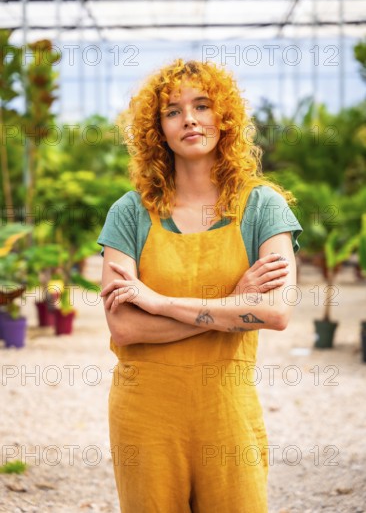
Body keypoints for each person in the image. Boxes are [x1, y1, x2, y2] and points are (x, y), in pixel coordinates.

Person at [97, 59, 303, 513]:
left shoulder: (262, 208)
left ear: (223, 117)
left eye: (202, 105)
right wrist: (232, 304)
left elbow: (275, 313)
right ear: (159, 130)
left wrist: (159, 302)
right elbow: (126, 329)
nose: (189, 118)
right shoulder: (129, 214)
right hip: (144, 415)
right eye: (173, 111)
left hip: (226, 411)